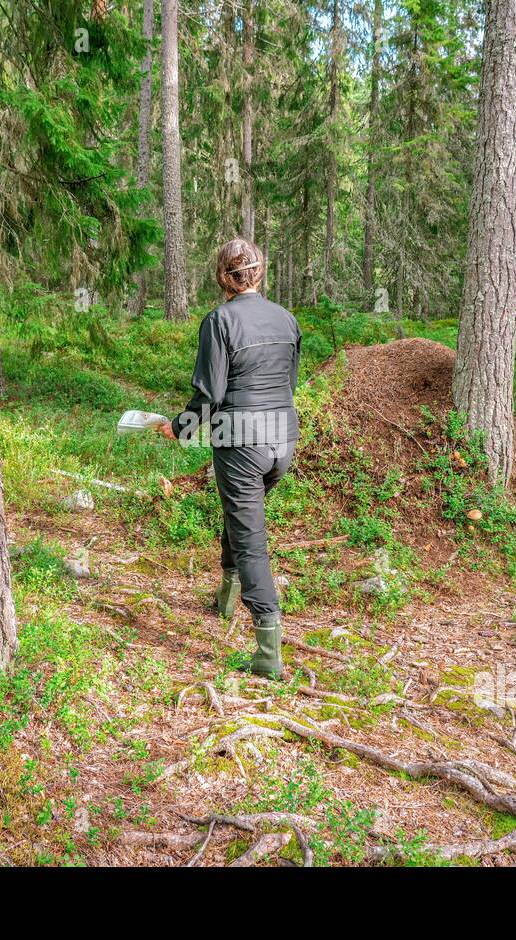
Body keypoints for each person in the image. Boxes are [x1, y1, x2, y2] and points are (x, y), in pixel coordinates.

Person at [159, 238, 301, 678]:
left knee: (250, 538)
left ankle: (268, 650)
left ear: (223, 277)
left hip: (240, 440)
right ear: (260, 273)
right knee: (240, 516)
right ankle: (226, 592)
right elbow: (290, 381)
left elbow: (210, 394)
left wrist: (178, 428)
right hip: (284, 440)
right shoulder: (286, 318)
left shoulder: (219, 321)